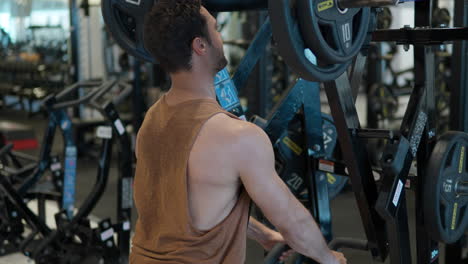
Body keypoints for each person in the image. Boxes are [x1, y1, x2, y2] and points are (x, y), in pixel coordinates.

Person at [130, 1, 347, 263]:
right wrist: (329, 259)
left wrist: (264, 234)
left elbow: (201, 203)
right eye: (216, 29)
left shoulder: (152, 121)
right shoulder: (238, 137)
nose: (220, 37)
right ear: (200, 46)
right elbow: (292, 221)